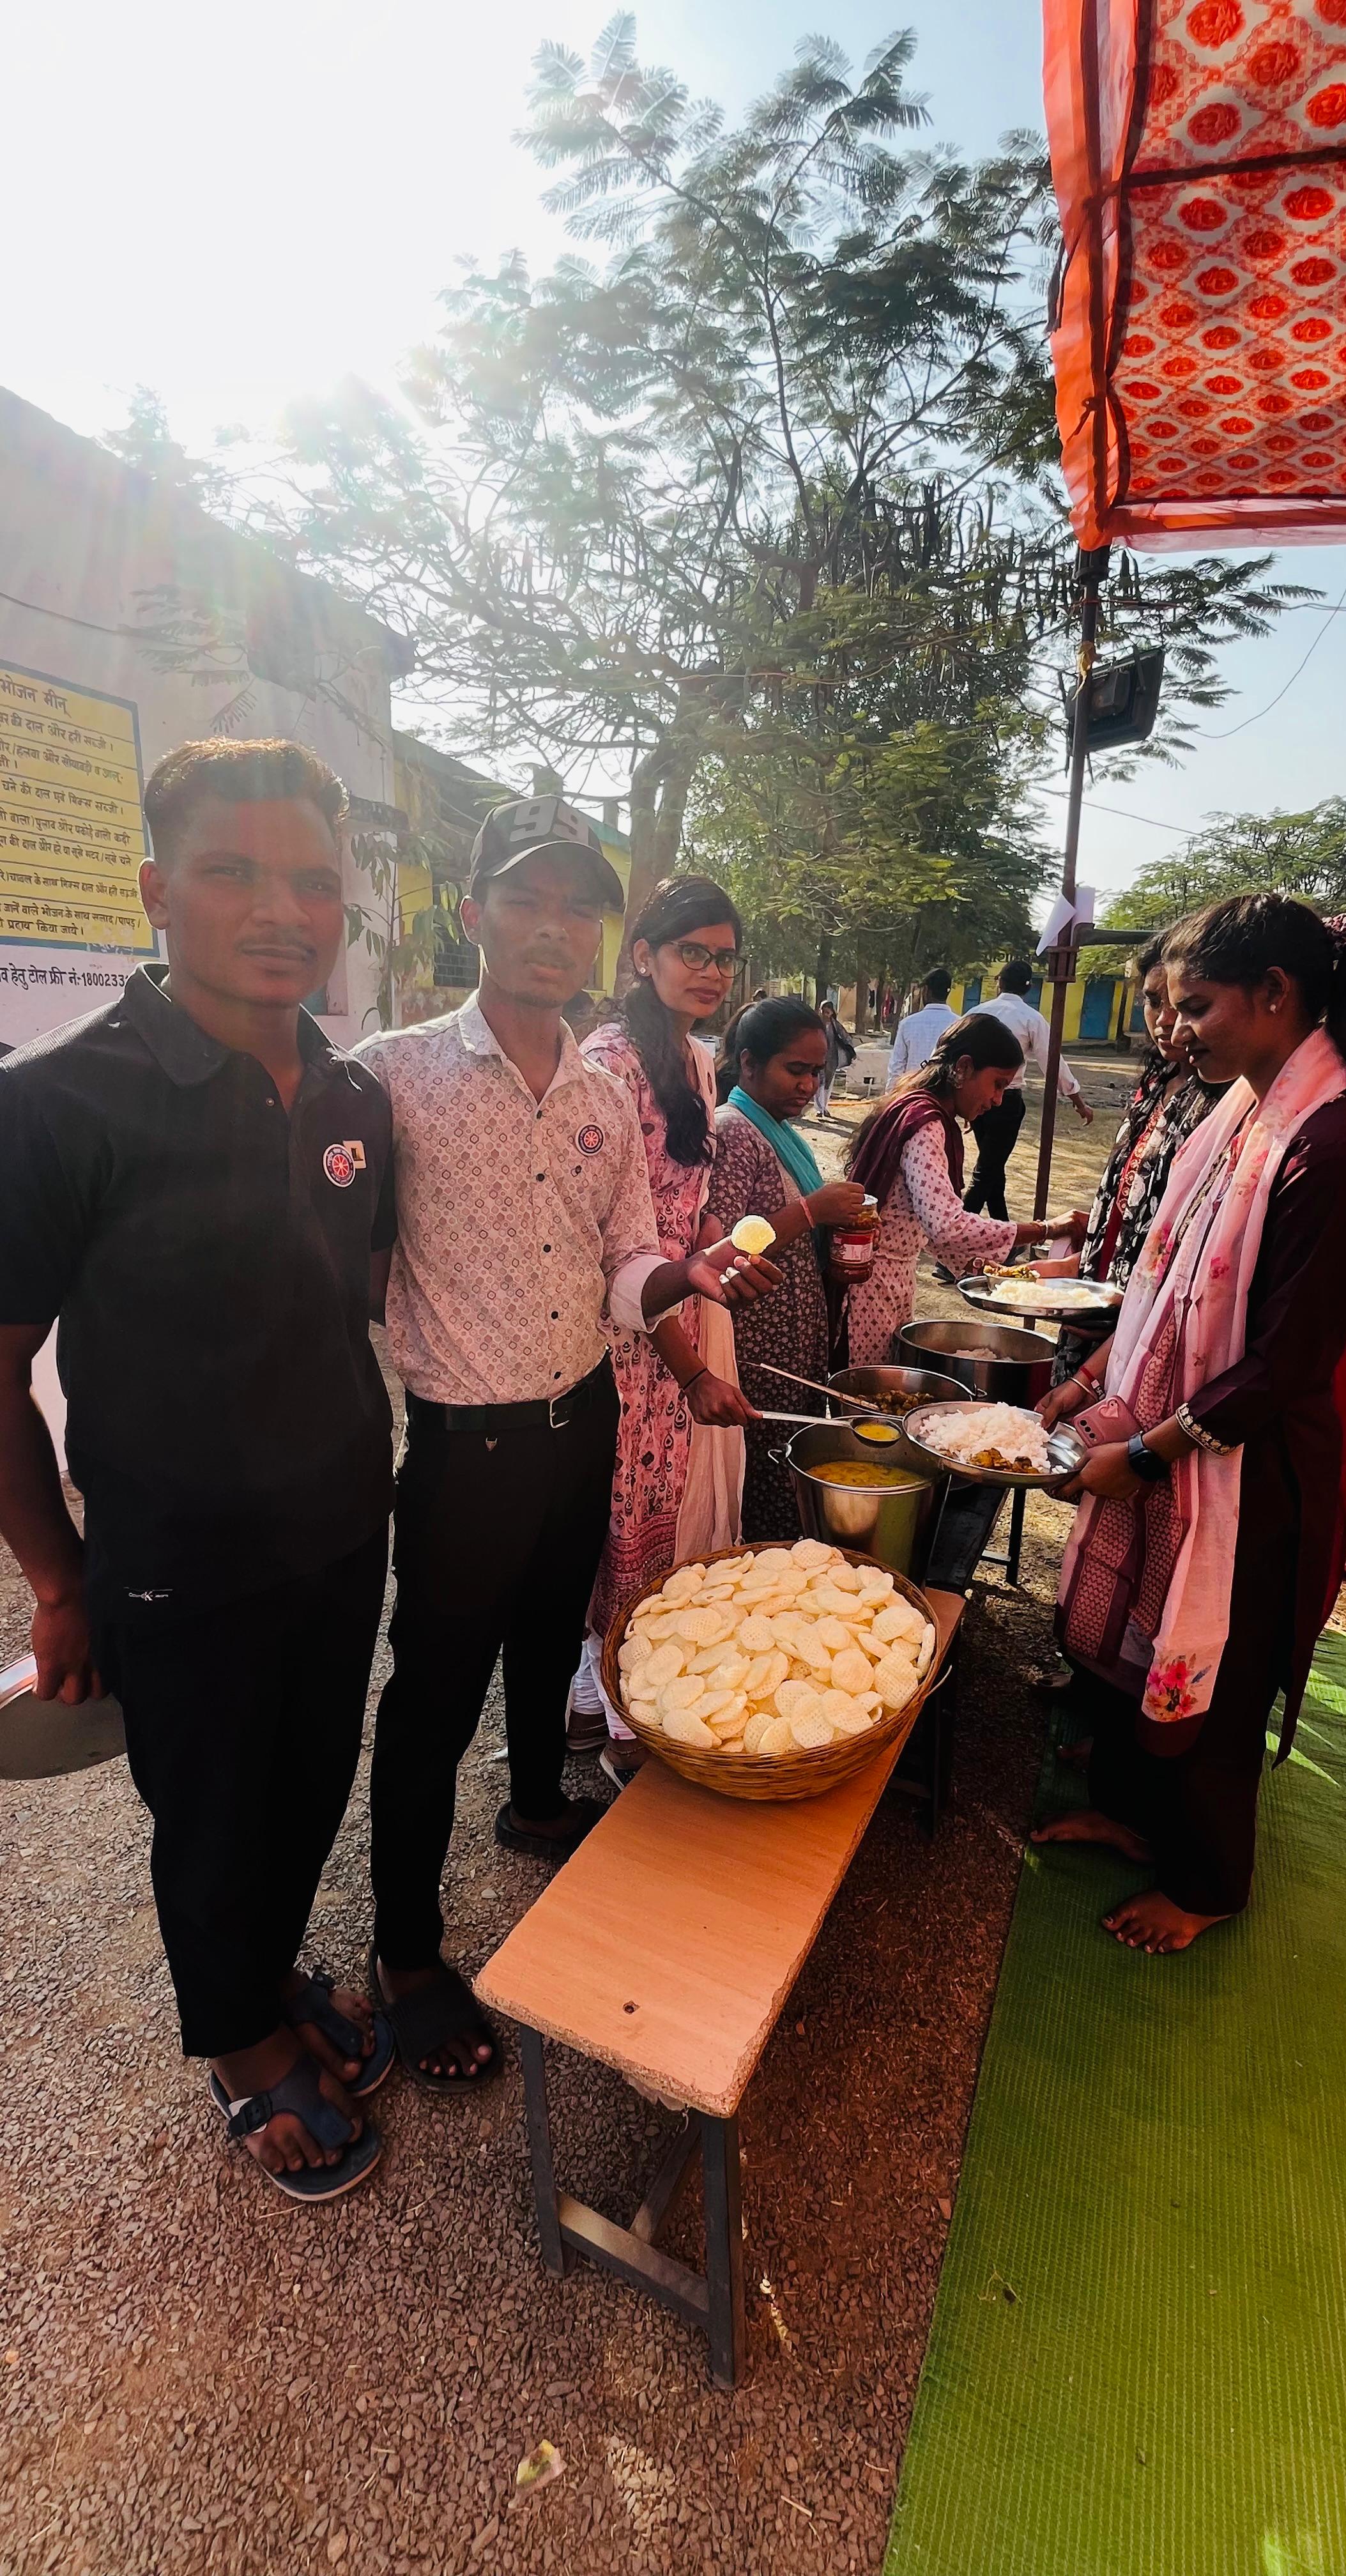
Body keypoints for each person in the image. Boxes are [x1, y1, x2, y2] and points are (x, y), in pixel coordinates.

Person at [0, 737, 399, 2202]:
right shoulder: (57, 1102)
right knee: (213, 1811)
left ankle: (263, 1972)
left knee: (307, 1783)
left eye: (313, 882)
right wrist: (59, 1583)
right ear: (157, 890)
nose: (282, 911)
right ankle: (239, 2047)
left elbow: (350, 1308)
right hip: (177, 1558)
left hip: (343, 1526)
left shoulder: (352, 1097)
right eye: (233, 873)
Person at [358, 807, 777, 2084]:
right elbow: (346, 1262)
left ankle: (537, 1803)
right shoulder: (390, 1075)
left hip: (579, 1415)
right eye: (525, 900)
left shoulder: (603, 1095)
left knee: (550, 1639)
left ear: (599, 935)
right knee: (432, 1700)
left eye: (576, 908)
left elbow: (627, 1257)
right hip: (463, 1447)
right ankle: (407, 1955)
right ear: (471, 912)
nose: (553, 929)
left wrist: (681, 1290)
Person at [1034, 896, 1346, 1956]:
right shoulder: (1245, 1111)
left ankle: (1205, 1886)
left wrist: (1142, 1452)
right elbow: (1167, 1289)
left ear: (1274, 994)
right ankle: (1128, 1813)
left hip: (1254, 1467)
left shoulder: (1338, 1148)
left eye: (1196, 1006)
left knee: (1220, 1667)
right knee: (1141, 1632)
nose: (1178, 1028)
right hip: (1188, 1432)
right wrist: (1093, 1385)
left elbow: (1282, 1365)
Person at [570, 878, 761, 1773]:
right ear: (642, 955)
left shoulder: (696, 1059)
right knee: (625, 1522)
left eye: (725, 957)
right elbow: (615, 1246)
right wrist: (690, 1369)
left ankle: (604, 1697)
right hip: (624, 1331)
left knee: (663, 1516)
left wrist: (723, 1250)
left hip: (681, 1309)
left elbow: (689, 1203)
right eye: (693, 952)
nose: (712, 971)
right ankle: (622, 1721)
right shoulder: (608, 1065)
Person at [708, 999, 869, 1536]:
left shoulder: (777, 1131)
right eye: (795, 1069)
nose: (808, 1085)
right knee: (763, 1483)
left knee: (788, 1474)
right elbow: (725, 1251)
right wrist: (812, 1211)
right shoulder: (734, 1131)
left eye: (816, 1072)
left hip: (792, 1346)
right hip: (757, 1351)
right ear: (749, 1063)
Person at [843, 1016, 1088, 1365]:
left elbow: (931, 1229)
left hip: (887, 1281)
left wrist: (1004, 1276)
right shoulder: (927, 1123)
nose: (999, 1100)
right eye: (997, 1085)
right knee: (866, 1389)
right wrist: (1045, 1229)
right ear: (963, 1068)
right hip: (873, 1287)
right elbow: (947, 1226)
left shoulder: (914, 1107)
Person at [1053, 931, 1226, 1384]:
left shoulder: (1225, 1106)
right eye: (1153, 1002)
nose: (1166, 1022)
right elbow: (1126, 1204)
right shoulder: (1156, 1084)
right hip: (1101, 1299)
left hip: (1150, 1321)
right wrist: (1073, 1270)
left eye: (1186, 1006)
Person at [965, 958, 1093, 1218]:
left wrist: (965, 1102)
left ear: (999, 982)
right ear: (1029, 988)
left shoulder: (976, 1013)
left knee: (992, 1167)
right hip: (1006, 1101)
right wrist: (1077, 1101)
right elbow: (1053, 1062)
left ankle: (1002, 1227)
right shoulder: (1031, 1019)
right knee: (987, 1170)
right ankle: (959, 1230)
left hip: (977, 1099)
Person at [888, 967, 958, 1079]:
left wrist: (893, 1090)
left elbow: (897, 1066)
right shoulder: (959, 1025)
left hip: (912, 1087)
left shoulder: (907, 1024)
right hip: (946, 1089)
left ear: (926, 991)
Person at [813, 999, 857, 1121]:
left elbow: (846, 1037)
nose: (826, 1014)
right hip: (819, 1058)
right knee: (820, 1083)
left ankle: (825, 1107)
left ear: (832, 1012)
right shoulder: (816, 1025)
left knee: (828, 1084)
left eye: (828, 1011)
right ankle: (819, 1109)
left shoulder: (835, 1025)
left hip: (832, 1058)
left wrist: (850, 1051)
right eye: (824, 1011)